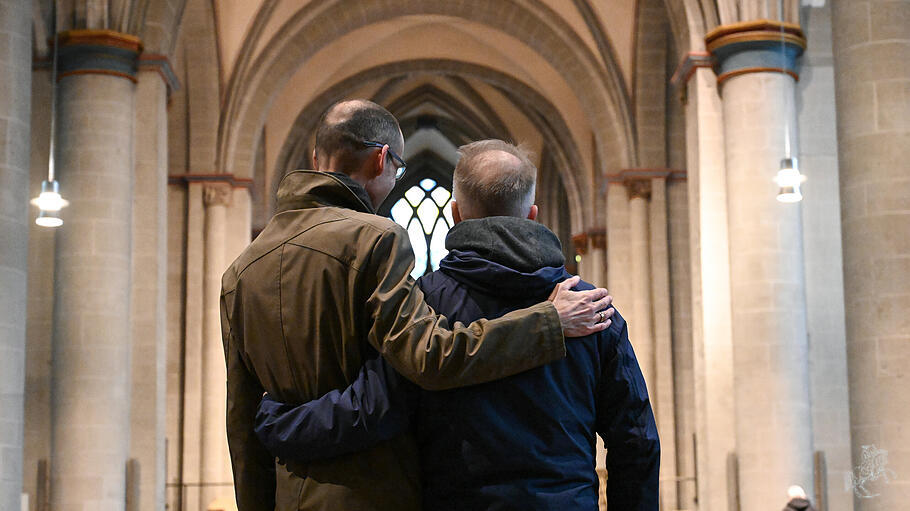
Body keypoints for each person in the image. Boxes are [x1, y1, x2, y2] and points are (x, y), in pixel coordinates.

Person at [221, 102, 615, 511]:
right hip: (372, 495)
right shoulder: (374, 239)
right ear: (381, 160)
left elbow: (242, 425)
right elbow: (428, 358)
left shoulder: (241, 270)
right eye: (399, 169)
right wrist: (548, 321)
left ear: (316, 158)